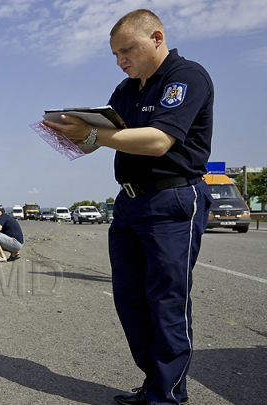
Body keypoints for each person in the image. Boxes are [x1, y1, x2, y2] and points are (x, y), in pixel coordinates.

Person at [43, 9, 213, 405]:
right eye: (116, 55)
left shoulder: (184, 77)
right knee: (130, 299)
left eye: (127, 50)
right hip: (129, 202)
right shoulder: (126, 90)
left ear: (156, 38)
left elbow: (157, 141)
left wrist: (95, 135)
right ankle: (155, 383)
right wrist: (71, 133)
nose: (121, 60)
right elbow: (105, 137)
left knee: (166, 299)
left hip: (171, 197)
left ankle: (167, 395)